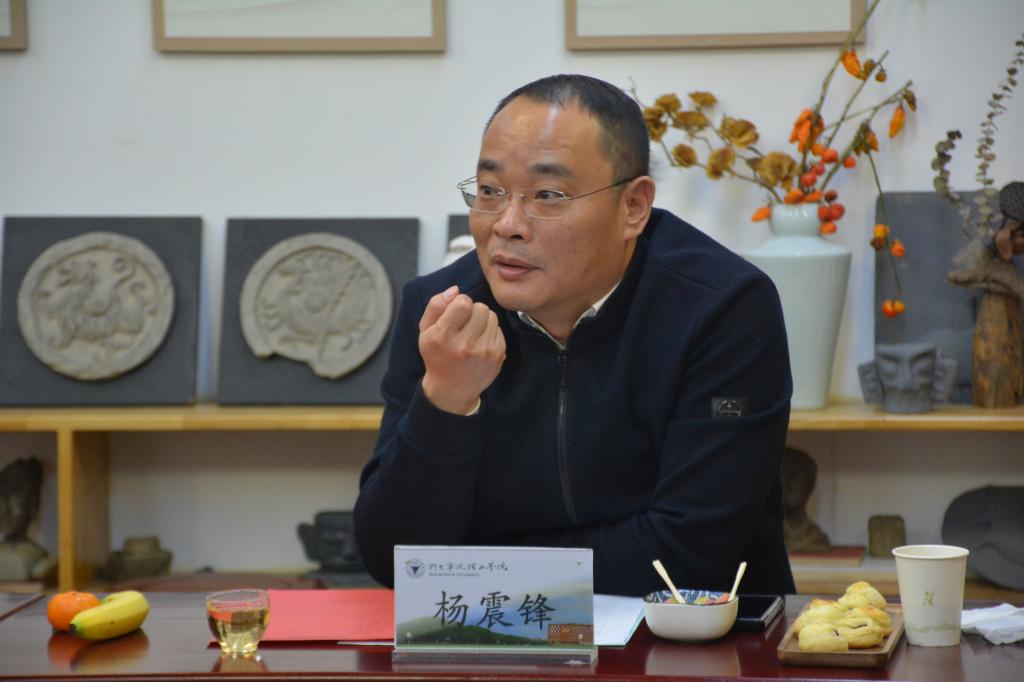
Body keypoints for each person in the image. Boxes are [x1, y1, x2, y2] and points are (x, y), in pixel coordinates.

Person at [354, 74, 796, 596]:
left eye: (548, 195)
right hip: (490, 635)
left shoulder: (722, 308)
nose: (507, 224)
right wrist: (446, 400)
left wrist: (476, 570)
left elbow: (687, 557)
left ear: (633, 207)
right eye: (491, 191)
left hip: (690, 636)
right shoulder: (443, 313)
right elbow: (395, 561)